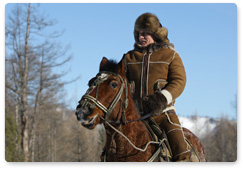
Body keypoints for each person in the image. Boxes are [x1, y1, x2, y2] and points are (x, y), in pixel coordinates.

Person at [121, 13, 191, 162]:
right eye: (139, 33)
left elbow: (179, 81)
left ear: (155, 34)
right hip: (134, 116)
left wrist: (161, 99)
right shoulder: (128, 57)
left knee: (180, 149)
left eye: (145, 33)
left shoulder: (170, 55)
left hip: (163, 114)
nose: (141, 37)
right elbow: (118, 82)